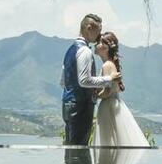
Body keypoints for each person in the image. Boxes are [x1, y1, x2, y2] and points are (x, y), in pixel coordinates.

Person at [61, 14, 120, 146]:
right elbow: (84, 81)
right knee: (79, 146)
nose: (99, 36)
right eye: (98, 31)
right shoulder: (85, 51)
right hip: (81, 105)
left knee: (70, 145)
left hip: (68, 104)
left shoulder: (70, 50)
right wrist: (109, 79)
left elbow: (63, 81)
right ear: (89, 28)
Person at [93, 31, 150, 148]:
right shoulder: (110, 64)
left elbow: (107, 92)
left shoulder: (107, 65)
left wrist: (94, 96)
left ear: (105, 47)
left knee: (108, 143)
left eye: (98, 42)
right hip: (113, 105)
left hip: (107, 107)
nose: (95, 44)